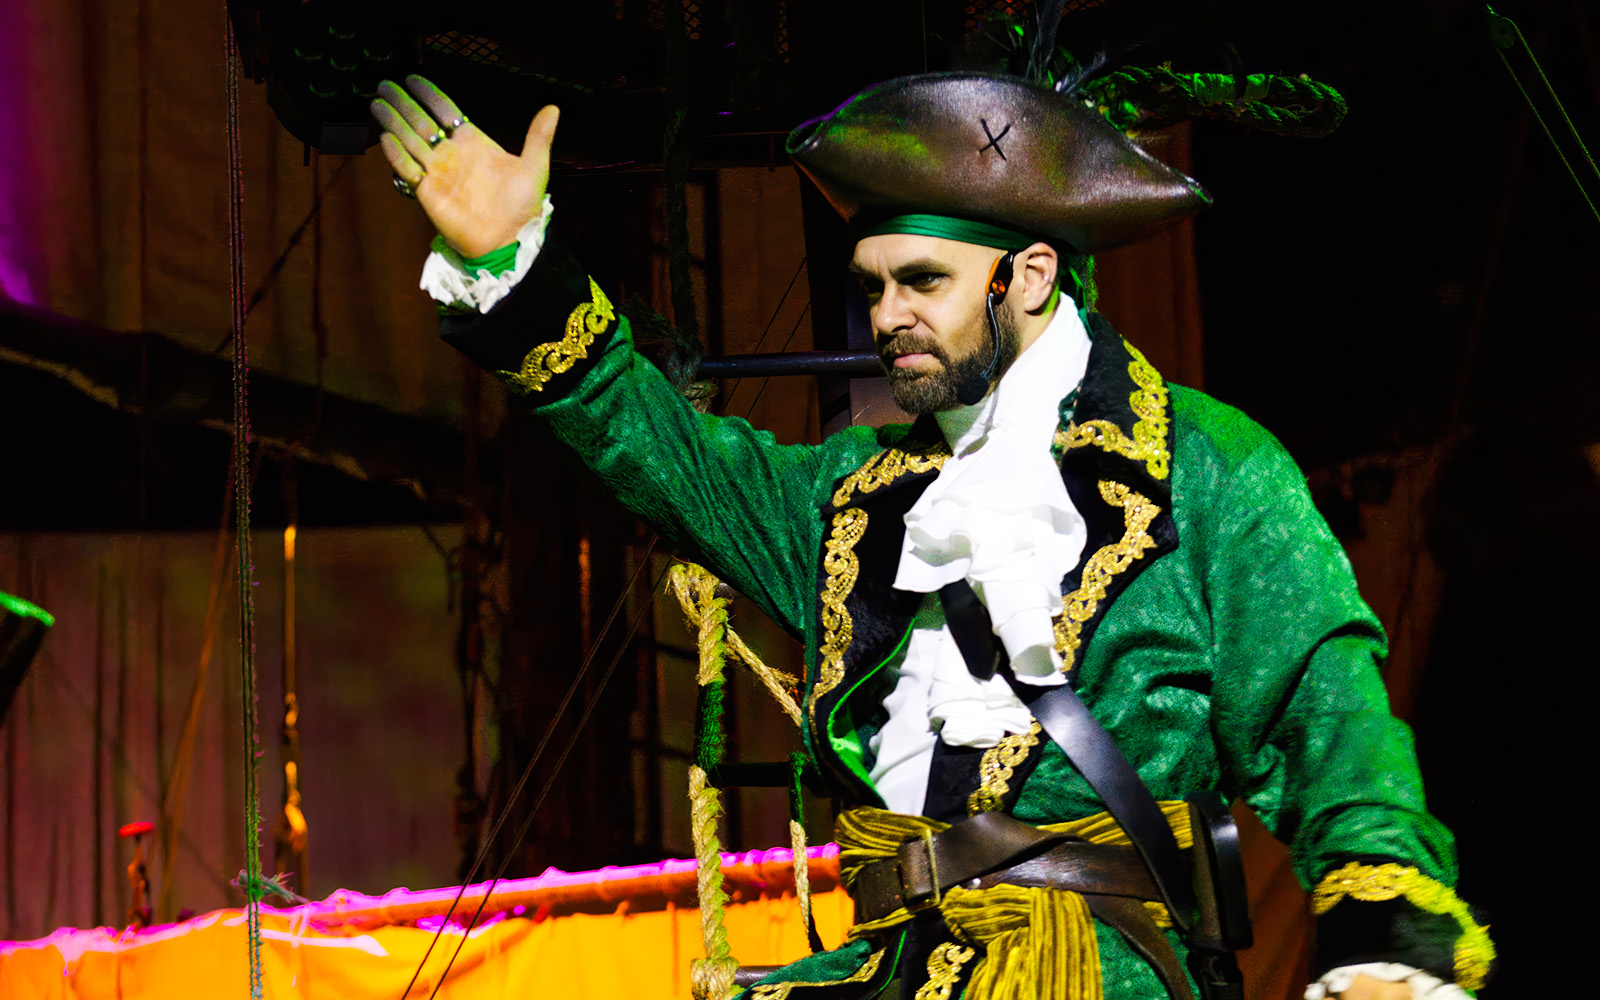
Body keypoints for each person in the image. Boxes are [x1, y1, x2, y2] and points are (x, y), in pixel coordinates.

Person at [370, 65, 1492, 1000]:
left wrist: (1384, 936)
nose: (887, 314)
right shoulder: (847, 496)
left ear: (1032, 275)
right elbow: (654, 448)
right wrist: (516, 263)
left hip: (1103, 973)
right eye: (873, 285)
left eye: (923, 281)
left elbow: (1325, 715)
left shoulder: (1204, 467)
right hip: (894, 968)